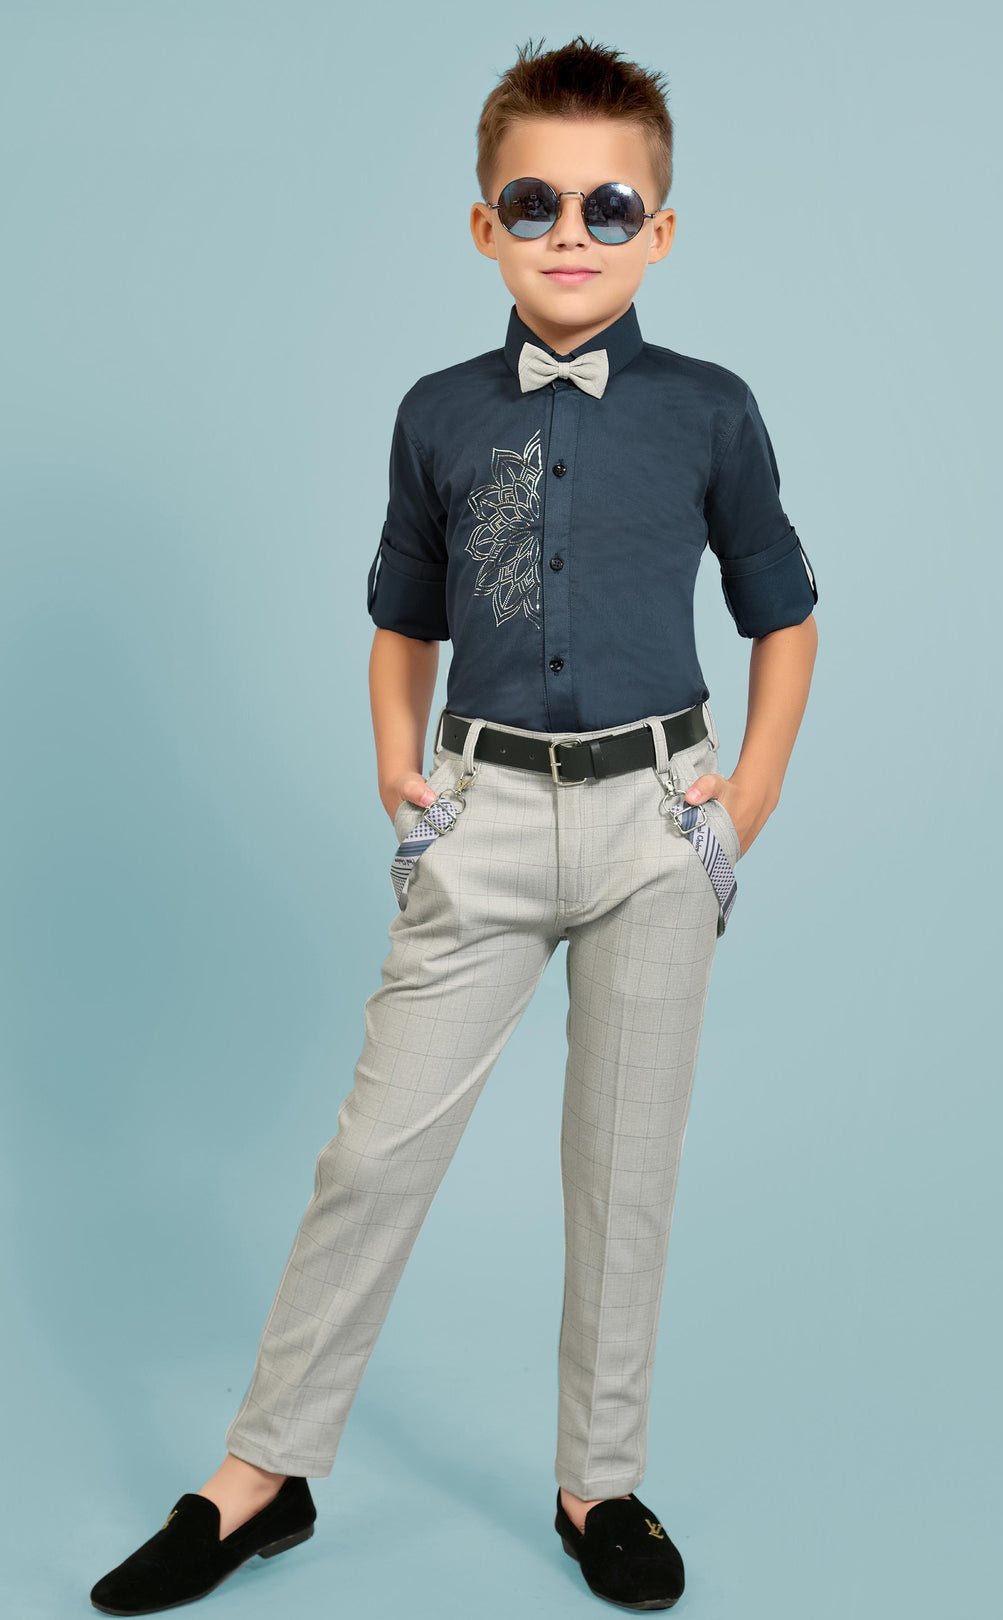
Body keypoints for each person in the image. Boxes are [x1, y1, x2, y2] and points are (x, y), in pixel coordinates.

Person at [90, 33, 819, 1616]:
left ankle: (598, 1484)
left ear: (661, 229)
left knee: (623, 1168)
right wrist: (395, 763)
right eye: (534, 203)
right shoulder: (435, 413)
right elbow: (402, 620)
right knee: (373, 1153)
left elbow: (785, 614)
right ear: (485, 224)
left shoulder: (712, 413)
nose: (572, 233)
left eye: (609, 207)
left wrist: (747, 797)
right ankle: (263, 1475)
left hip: (656, 822)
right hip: (482, 817)